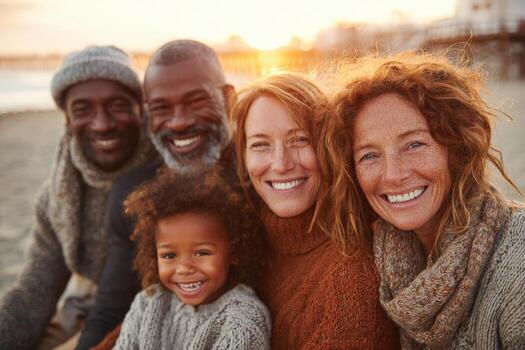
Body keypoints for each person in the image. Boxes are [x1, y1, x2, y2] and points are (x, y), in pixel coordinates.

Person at [325, 52, 525, 349]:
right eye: (369, 155)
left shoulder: (517, 255)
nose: (393, 175)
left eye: (414, 144)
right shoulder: (382, 262)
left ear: (455, 148)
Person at [76, 39, 235, 350]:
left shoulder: (263, 174)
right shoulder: (133, 192)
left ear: (227, 98)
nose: (179, 121)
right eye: (161, 108)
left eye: (196, 101)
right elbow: (110, 307)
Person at [0, 45, 156, 350]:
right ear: (68, 120)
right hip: (90, 296)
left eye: (117, 105)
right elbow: (35, 292)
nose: (102, 124)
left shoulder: (167, 172)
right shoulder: (59, 195)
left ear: (142, 109)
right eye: (83, 109)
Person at [230, 72, 399, 349]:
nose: (281, 163)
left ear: (330, 147)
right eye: (260, 144)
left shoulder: (349, 277)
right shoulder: (241, 245)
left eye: (299, 140)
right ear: (243, 156)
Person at [113, 167, 271, 349]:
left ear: (234, 251)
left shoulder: (243, 319)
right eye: (169, 255)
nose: (184, 268)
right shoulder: (148, 302)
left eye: (201, 253)